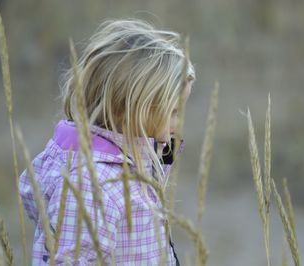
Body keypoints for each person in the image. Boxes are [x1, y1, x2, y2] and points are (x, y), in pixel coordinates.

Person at [19, 19, 195, 265]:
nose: (180, 120)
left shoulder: (131, 163)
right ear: (131, 110)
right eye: (173, 111)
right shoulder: (92, 185)